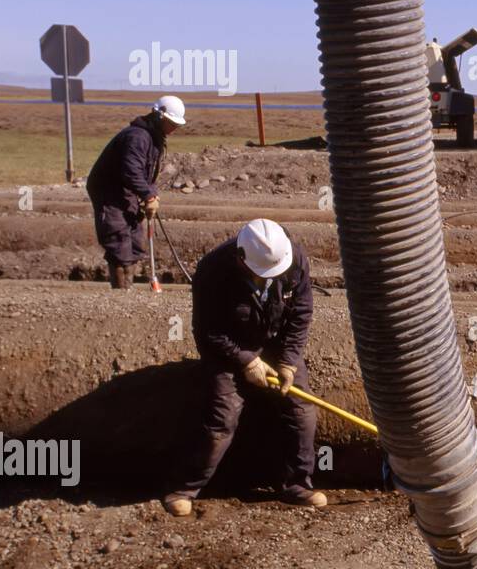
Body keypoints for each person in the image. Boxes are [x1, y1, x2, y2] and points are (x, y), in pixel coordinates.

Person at [163, 219, 324, 516]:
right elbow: (208, 331)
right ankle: (185, 487)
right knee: (222, 418)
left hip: (275, 343)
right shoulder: (213, 271)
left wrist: (288, 362)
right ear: (241, 259)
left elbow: (301, 314)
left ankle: (297, 485)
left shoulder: (293, 258)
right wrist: (246, 360)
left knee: (302, 410)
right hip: (228, 348)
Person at [86, 95, 184, 288]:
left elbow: (146, 173)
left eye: (176, 125)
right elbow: (131, 171)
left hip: (126, 191)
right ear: (159, 116)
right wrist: (147, 195)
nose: (174, 129)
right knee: (119, 241)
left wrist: (151, 194)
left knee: (135, 244)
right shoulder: (137, 137)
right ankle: (122, 295)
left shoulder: (153, 138)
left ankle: (127, 289)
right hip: (110, 192)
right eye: (172, 123)